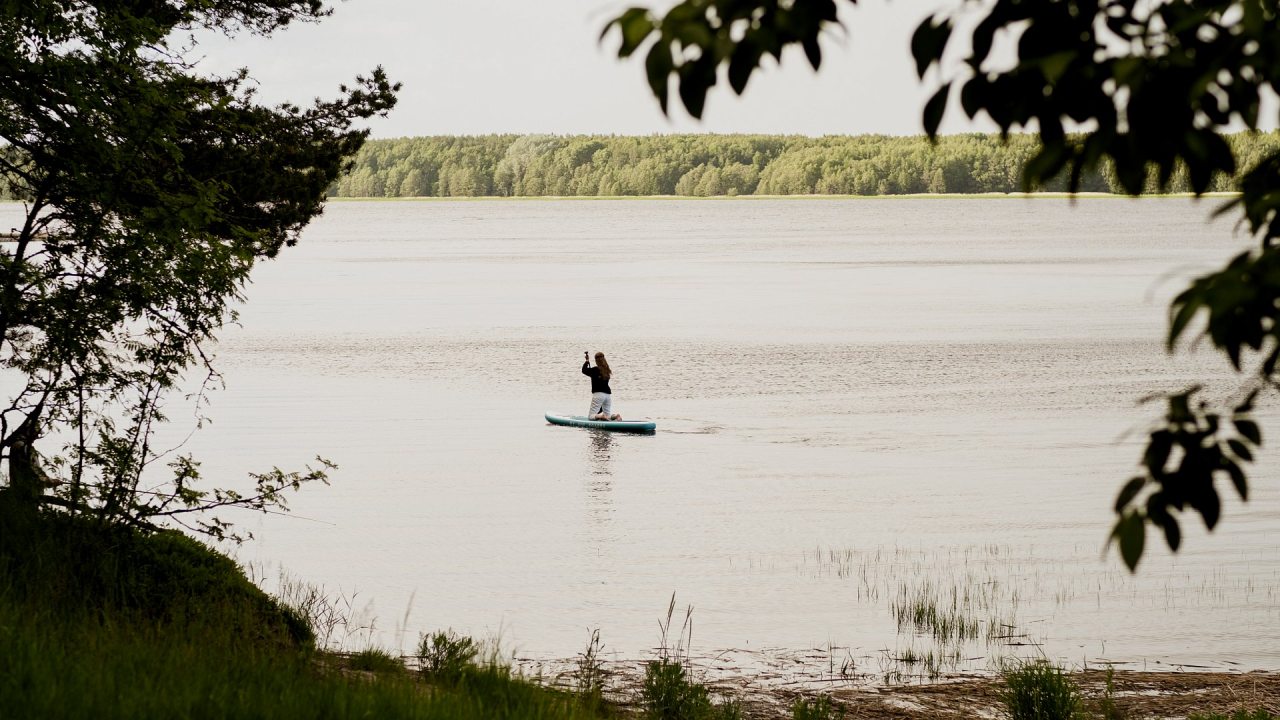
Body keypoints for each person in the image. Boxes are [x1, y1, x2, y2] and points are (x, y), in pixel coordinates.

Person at [582, 351, 622, 421]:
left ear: (596, 361)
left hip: (598, 395)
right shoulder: (607, 371)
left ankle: (601, 416)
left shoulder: (594, 370)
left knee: (591, 416)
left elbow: (584, 370)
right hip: (608, 396)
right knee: (608, 416)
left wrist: (587, 361)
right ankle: (616, 416)